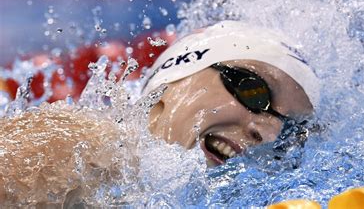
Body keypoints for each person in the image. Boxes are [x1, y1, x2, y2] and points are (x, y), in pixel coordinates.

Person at [0, 20, 319, 206]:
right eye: (254, 91)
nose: (268, 133)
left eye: (288, 129)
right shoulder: (78, 145)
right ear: (177, 74)